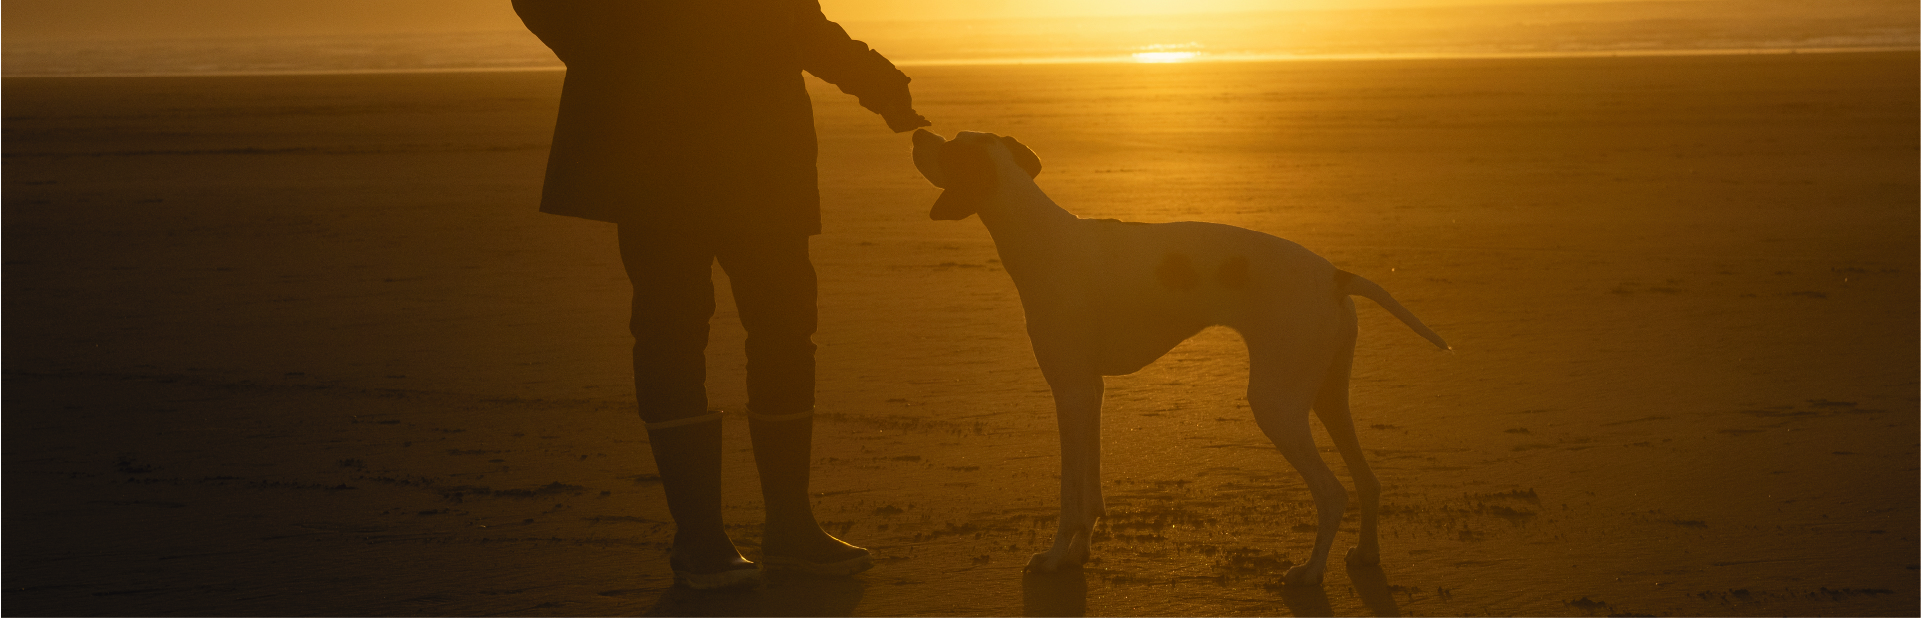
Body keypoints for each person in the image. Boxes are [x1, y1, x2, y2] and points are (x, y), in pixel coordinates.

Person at [512, 0, 930, 590]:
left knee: (782, 328)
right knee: (673, 332)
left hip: (759, 149)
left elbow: (797, 22)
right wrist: (610, 56)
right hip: (657, 148)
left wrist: (879, 83)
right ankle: (700, 539)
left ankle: (788, 525)